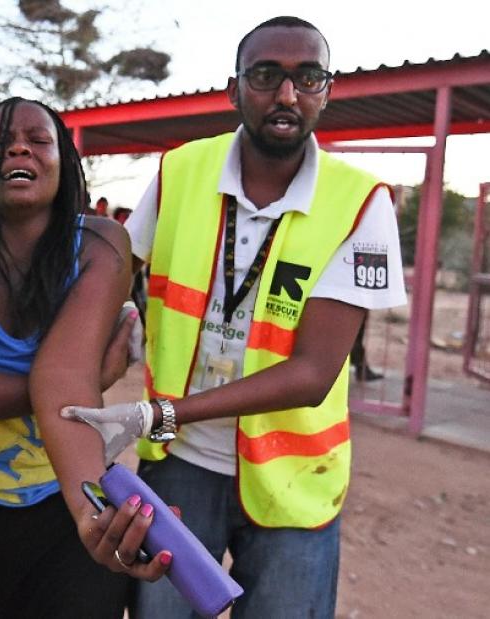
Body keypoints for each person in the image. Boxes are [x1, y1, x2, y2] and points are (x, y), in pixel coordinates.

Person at [63, 16, 406, 618]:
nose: (286, 95)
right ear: (234, 87)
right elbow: (112, 277)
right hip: (181, 466)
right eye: (267, 75)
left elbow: (314, 373)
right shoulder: (180, 171)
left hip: (294, 477)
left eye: (308, 78)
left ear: (327, 89)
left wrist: (160, 413)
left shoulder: (361, 204)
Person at [0, 97, 170, 619]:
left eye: (38, 140)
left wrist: (89, 513)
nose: (18, 147)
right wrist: (90, 381)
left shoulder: (100, 242)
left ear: (66, 162)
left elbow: (62, 374)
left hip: (67, 498)